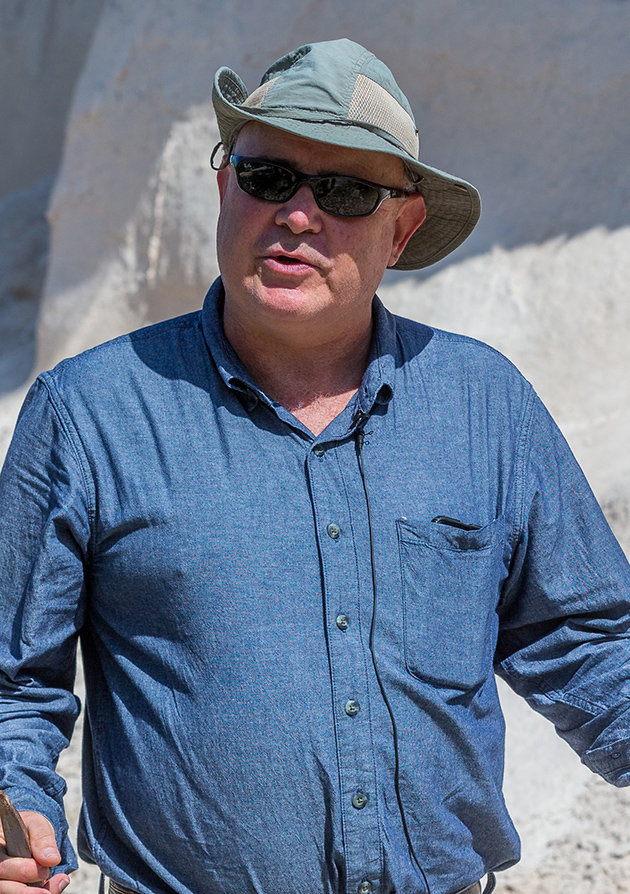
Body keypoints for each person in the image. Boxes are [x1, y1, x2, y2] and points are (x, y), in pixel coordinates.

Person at [0, 37, 629, 894]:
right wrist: (16, 810)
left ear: (402, 229)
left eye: (344, 191)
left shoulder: (487, 406)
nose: (298, 215)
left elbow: (588, 645)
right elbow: (10, 685)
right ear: (225, 186)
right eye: (268, 179)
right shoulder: (87, 414)